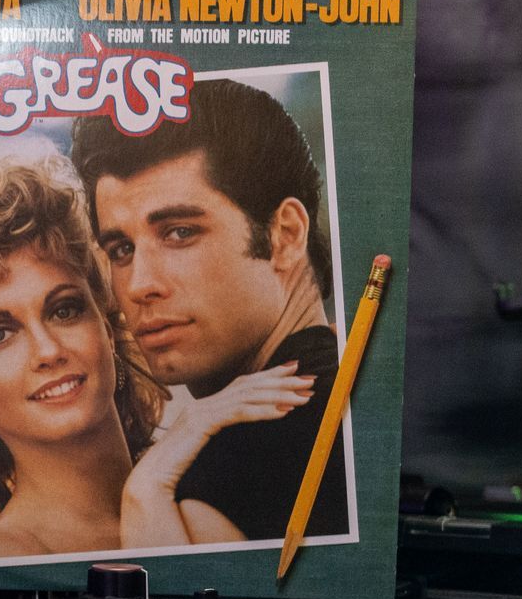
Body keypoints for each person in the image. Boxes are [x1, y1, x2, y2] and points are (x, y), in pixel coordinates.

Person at [0, 154, 315, 561]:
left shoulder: (212, 481)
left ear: (106, 321)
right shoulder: (10, 557)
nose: (49, 350)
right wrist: (146, 489)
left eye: (64, 309)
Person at [70, 78, 349, 544]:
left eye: (179, 233)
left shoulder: (222, 479)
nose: (138, 286)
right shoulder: (354, 386)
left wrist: (145, 493)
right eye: (121, 249)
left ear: (285, 236)